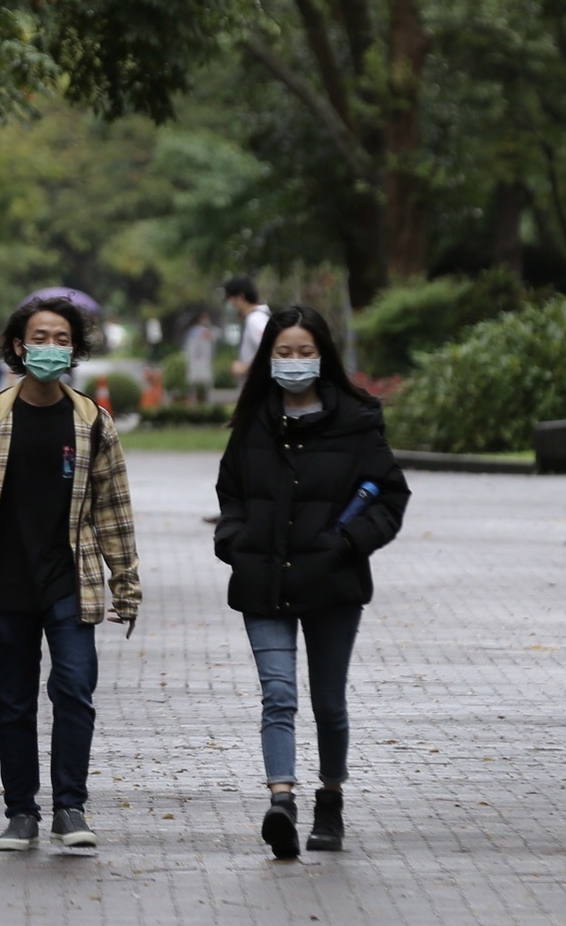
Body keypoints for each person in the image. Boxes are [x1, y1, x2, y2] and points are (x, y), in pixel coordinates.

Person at [0, 298, 141, 854]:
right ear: (20, 347)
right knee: (13, 701)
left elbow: (113, 507)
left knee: (74, 686)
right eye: (39, 337)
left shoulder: (92, 421)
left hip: (69, 579)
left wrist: (126, 583)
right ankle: (20, 811)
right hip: (2, 582)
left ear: (75, 348)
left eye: (62, 338)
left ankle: (71, 806)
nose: (51, 347)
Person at [213, 305, 409, 860]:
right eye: (283, 352)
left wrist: (346, 544)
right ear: (267, 357)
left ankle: (330, 799)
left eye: (304, 352)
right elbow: (230, 492)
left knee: (327, 701)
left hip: (331, 582)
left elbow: (388, 497)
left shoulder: (358, 420)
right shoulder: (254, 421)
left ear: (322, 356)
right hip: (264, 579)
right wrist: (235, 541)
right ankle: (282, 801)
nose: (294, 362)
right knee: (278, 694)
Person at [225, 276, 270, 379]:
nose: (230, 305)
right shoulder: (253, 318)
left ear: (240, 297)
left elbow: (269, 349)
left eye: (230, 299)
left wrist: (246, 368)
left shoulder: (255, 319)